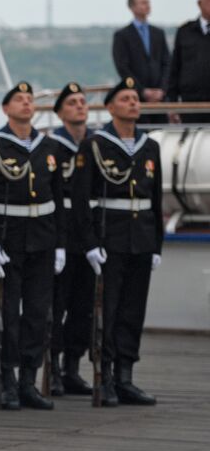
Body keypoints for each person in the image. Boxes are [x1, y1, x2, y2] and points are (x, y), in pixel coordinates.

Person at [0, 81, 63, 412]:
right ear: (6, 109)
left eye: (29, 99)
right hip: (8, 240)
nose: (26, 103)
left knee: (38, 314)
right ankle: (5, 381)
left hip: (42, 238)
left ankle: (28, 382)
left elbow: (59, 200)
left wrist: (60, 244)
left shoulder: (48, 147)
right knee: (8, 314)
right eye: (18, 100)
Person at [72, 77, 160, 406]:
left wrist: (156, 245)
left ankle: (126, 376)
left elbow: (154, 199)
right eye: (125, 99)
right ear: (111, 107)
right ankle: (104, 374)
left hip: (141, 237)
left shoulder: (150, 146)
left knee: (132, 310)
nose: (133, 103)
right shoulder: (95, 145)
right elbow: (82, 200)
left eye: (136, 98)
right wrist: (91, 243)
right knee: (106, 311)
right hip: (111, 237)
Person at [47, 83, 94, 396]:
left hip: (88, 234)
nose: (80, 106)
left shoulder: (96, 145)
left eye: (82, 102)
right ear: (61, 112)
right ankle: (51, 366)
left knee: (84, 305)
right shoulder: (52, 147)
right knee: (56, 303)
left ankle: (72, 367)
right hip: (60, 232)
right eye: (72, 103)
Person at [111, 0, 170, 124]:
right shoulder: (122, 35)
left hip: (160, 98)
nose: (147, 6)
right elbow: (122, 66)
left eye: (148, 2)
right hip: (136, 98)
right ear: (132, 7)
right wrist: (142, 91)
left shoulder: (158, 33)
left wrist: (162, 89)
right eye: (143, 2)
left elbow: (167, 62)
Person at [167, 0, 210, 108]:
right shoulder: (185, 31)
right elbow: (175, 67)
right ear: (199, 3)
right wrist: (172, 101)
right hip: (191, 101)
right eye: (208, 1)